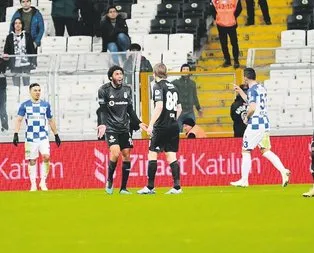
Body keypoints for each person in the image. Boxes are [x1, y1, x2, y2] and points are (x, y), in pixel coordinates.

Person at [230, 68, 290, 187]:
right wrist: (241, 91)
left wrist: (247, 117)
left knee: (246, 150)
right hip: (264, 122)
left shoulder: (252, 90)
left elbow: (252, 107)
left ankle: (244, 180)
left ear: (246, 77)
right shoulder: (261, 88)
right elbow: (252, 101)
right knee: (265, 150)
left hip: (255, 124)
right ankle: (283, 171)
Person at [96, 65, 147, 195]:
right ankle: (109, 181)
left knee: (126, 155)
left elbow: (130, 109)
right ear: (111, 77)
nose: (120, 76)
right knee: (115, 152)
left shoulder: (127, 89)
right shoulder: (104, 90)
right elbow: (102, 109)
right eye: (117, 74)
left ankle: (123, 188)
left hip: (125, 127)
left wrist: (139, 122)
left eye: (121, 74)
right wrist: (102, 124)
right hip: (111, 127)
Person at [137, 63, 183, 195]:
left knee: (152, 154)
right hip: (173, 125)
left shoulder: (157, 86)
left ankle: (150, 187)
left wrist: (151, 124)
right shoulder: (174, 87)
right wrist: (172, 119)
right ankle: (177, 187)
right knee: (171, 155)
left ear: (154, 74)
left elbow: (159, 106)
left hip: (161, 126)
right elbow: (179, 108)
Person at [13, 83, 61, 191]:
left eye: (39, 90)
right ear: (30, 92)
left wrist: (56, 134)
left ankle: (43, 182)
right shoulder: (25, 105)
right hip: (30, 138)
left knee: (46, 157)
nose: (37, 92)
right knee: (32, 160)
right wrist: (15, 133)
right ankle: (33, 184)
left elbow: (50, 120)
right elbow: (19, 119)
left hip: (43, 137)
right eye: (35, 90)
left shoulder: (45, 105)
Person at [3, 17, 36, 87]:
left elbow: (32, 50)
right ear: (13, 25)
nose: (17, 25)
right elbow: (6, 51)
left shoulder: (27, 36)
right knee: (16, 86)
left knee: (27, 85)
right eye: (16, 23)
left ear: (22, 25)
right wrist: (7, 64)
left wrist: (33, 62)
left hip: (26, 64)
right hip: (15, 65)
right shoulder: (9, 37)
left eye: (19, 23)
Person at [209, 0, 242, 68]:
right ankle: (228, 60)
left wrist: (233, 16)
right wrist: (217, 18)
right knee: (224, 44)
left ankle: (236, 60)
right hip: (221, 25)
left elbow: (239, 8)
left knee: (234, 43)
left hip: (232, 24)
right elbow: (211, 9)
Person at [171, 63, 202, 131]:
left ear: (190, 71)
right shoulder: (175, 82)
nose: (185, 70)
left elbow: (195, 96)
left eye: (187, 69)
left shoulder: (192, 83)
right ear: (181, 71)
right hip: (179, 111)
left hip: (190, 111)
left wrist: (198, 108)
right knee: (178, 131)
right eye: (184, 69)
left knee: (192, 130)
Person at [0, 56, 8, 134]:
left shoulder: (2, 61)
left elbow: (4, 70)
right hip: (2, 87)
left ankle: (4, 126)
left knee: (2, 108)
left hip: (1, 88)